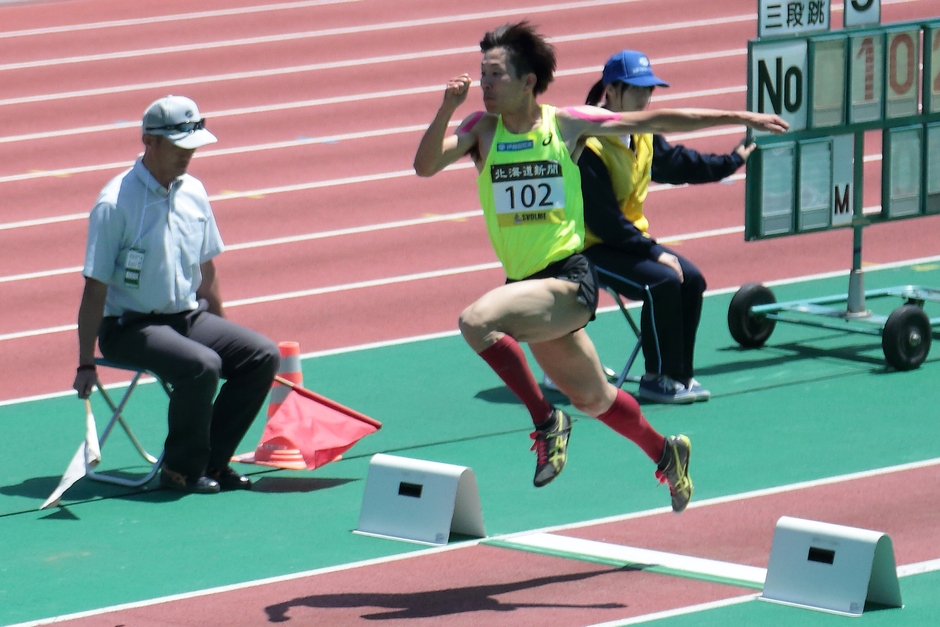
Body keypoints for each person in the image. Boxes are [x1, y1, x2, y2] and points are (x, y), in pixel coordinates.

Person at [413, 22, 786, 512]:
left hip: (568, 281)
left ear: (529, 81)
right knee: (596, 400)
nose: (485, 85)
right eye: (482, 75)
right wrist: (446, 108)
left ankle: (546, 422)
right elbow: (424, 165)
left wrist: (735, 115)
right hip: (528, 291)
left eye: (496, 75)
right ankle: (667, 454)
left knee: (476, 321)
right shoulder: (481, 129)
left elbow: (660, 122)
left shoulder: (565, 124)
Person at [72, 95, 280, 495]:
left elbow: (208, 268)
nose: (190, 155)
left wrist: (222, 324)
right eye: (180, 146)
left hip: (186, 318)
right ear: (149, 141)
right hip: (130, 326)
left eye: (194, 145)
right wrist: (85, 363)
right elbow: (95, 286)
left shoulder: (194, 191)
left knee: (262, 355)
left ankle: (214, 463)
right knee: (202, 365)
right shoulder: (115, 203)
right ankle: (180, 469)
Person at [578, 50, 757, 404]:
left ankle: (679, 374)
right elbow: (603, 220)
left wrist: (730, 161)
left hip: (629, 242)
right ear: (611, 89)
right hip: (590, 246)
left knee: (692, 279)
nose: (646, 98)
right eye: (637, 89)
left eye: (650, 90)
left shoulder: (642, 130)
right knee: (660, 279)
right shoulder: (589, 141)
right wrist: (654, 251)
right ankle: (655, 377)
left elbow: (674, 163)